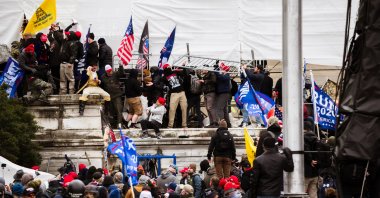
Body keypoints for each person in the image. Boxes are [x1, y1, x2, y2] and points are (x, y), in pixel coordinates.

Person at [162, 64, 187, 128]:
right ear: (166, 68)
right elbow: (161, 82)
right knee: (172, 109)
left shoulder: (175, 72)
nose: (170, 67)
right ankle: (170, 125)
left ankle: (184, 125)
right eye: (168, 67)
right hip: (174, 94)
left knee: (184, 108)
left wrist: (182, 66)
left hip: (182, 92)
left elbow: (184, 73)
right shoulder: (164, 77)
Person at [304, 122, 319, 198]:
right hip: (315, 171)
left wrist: (310, 160)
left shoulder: (302, 138)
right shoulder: (316, 138)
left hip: (305, 172)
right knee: (313, 194)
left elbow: (306, 150)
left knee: (301, 193)